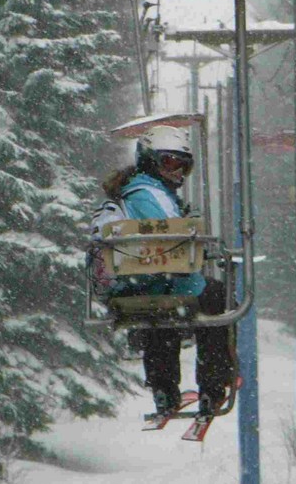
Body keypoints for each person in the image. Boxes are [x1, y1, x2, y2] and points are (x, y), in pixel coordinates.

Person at [90, 125, 235, 418]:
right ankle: (214, 385)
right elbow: (172, 238)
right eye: (169, 162)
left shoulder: (132, 191)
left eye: (183, 165)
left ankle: (163, 388)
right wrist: (194, 235)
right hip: (159, 281)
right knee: (216, 297)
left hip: (136, 287)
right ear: (150, 160)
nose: (177, 171)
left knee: (161, 314)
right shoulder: (148, 193)